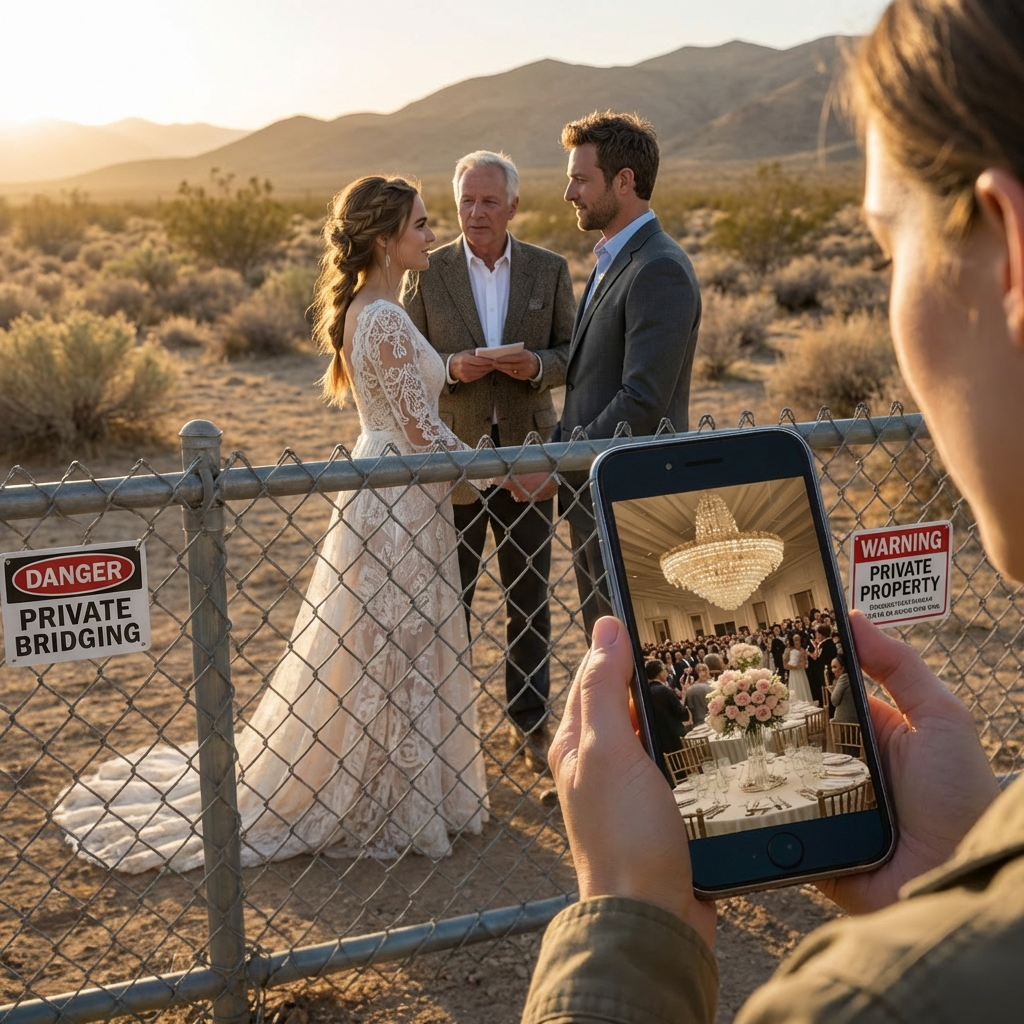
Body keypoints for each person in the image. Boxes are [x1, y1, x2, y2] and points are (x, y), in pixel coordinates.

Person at [521, 1, 1024, 1019]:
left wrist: (624, 918)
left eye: (889, 249)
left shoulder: (871, 998)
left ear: (1009, 249)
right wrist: (966, 860)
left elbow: (636, 396)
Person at [54, 176, 547, 872]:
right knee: (395, 642)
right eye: (421, 224)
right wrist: (506, 470)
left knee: (386, 643)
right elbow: (423, 433)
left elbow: (415, 428)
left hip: (397, 487)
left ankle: (408, 785)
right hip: (399, 495)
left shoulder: (374, 308)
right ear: (385, 239)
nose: (432, 235)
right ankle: (390, 798)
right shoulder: (381, 317)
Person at [405, 150, 575, 771]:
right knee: (449, 600)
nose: (476, 213)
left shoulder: (550, 270)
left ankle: (530, 723)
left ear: (513, 206)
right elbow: (411, 366)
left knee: (528, 597)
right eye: (466, 202)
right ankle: (444, 729)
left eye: (488, 202)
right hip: (454, 466)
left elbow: (570, 354)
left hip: (531, 458)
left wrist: (536, 366)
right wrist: (451, 368)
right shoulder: (425, 272)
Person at [554, 111, 702, 640]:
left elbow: (641, 400)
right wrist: (552, 457)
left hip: (631, 501)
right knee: (609, 645)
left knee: (638, 652)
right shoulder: (614, 258)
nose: (569, 192)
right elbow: (586, 383)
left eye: (580, 178)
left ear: (624, 181)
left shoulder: (657, 267)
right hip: (595, 490)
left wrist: (560, 460)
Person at [645, 660, 689, 756]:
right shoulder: (664, 690)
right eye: (664, 670)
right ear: (659, 673)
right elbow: (681, 713)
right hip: (674, 736)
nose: (666, 673)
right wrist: (684, 694)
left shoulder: (646, 692)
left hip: (658, 739)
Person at [806, 623, 838, 706]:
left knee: (827, 688)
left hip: (826, 671)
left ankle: (830, 707)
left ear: (822, 634)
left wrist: (810, 655)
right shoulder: (826, 643)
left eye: (818, 633)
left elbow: (821, 658)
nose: (817, 635)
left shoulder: (826, 644)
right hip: (824, 670)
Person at [829, 652, 858, 724]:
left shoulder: (844, 678)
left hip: (844, 723)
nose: (832, 670)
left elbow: (834, 701)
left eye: (835, 667)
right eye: (831, 667)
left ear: (843, 668)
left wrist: (832, 691)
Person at [784, 631, 813, 704]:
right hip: (793, 673)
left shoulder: (802, 650)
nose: (797, 641)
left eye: (799, 639)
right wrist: (795, 667)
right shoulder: (788, 650)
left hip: (801, 672)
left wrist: (802, 664)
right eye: (796, 639)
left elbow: (805, 662)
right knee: (795, 688)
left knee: (803, 687)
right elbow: (785, 664)